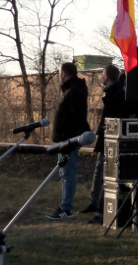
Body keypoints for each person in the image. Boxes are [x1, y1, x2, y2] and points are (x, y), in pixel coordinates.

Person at [79, 64, 128, 224]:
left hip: (111, 137)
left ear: (106, 77)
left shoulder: (117, 93)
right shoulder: (116, 91)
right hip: (107, 136)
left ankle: (101, 208)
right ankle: (96, 203)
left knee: (105, 172)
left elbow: (112, 114)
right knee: (100, 171)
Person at [47, 61, 91, 220]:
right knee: (64, 172)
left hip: (69, 138)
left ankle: (66, 209)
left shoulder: (73, 91)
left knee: (68, 173)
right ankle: (65, 206)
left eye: (60, 74)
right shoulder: (73, 90)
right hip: (67, 138)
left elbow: (77, 116)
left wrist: (79, 136)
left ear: (63, 74)